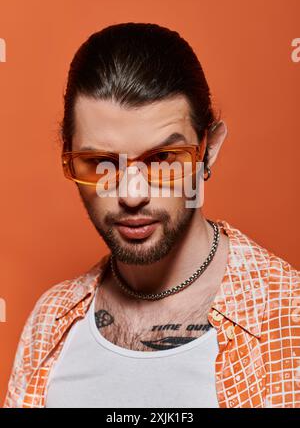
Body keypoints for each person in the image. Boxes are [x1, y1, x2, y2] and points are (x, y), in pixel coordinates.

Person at [4, 23, 299, 408]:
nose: (131, 194)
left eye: (161, 159)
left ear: (208, 151)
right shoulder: (50, 322)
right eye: (100, 162)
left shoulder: (288, 317)